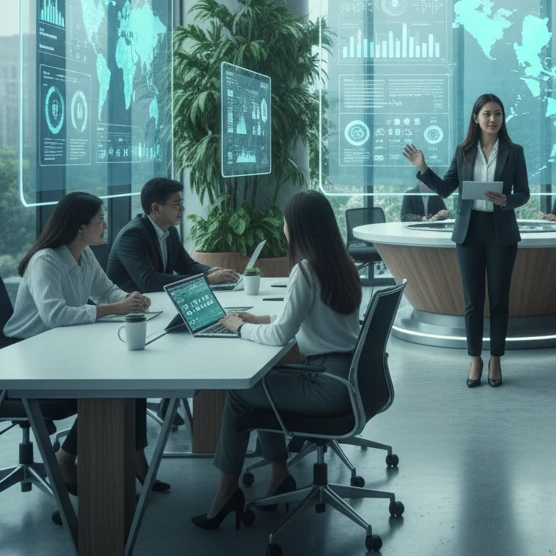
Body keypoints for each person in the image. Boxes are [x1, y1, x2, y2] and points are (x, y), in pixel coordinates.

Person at [193, 189, 363, 529]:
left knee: (243, 393)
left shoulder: (306, 270)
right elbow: (309, 319)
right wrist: (258, 320)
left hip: (326, 385)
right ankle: (279, 474)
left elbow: (280, 337)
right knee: (262, 387)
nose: (283, 228)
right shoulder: (341, 263)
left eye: (286, 222)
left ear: (298, 228)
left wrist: (240, 328)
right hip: (348, 380)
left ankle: (228, 491)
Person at [3, 192, 167, 494]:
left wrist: (129, 299)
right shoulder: (45, 261)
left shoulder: (84, 254)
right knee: (111, 388)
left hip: (61, 349)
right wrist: (113, 309)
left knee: (132, 380)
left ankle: (134, 458)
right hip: (28, 357)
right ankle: (67, 459)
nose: (105, 225)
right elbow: (54, 315)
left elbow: (106, 291)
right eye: (100, 220)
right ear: (80, 227)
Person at [402, 93, 530, 388]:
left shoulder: (514, 151)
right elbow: (446, 189)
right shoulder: (463, 152)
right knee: (473, 302)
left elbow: (524, 193)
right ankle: (475, 359)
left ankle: (496, 358)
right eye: (486, 114)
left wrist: (506, 199)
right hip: (469, 232)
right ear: (476, 118)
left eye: (498, 113)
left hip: (501, 232)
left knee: (499, 301)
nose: (492, 119)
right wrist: (423, 167)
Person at [105, 178, 240, 293]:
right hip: (130, 310)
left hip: (156, 302)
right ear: (156, 209)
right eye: (176, 204)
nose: (182, 209)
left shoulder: (170, 231)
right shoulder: (132, 236)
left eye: (181, 203)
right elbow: (149, 282)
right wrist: (206, 279)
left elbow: (186, 265)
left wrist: (212, 271)